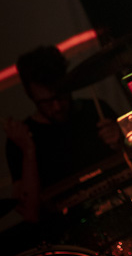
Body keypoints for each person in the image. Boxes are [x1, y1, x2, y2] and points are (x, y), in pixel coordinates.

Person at [3, 45, 123, 224]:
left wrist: (122, 142)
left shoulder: (96, 110)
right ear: (30, 95)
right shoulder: (20, 140)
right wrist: (28, 151)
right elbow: (30, 213)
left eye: (61, 95)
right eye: (46, 102)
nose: (57, 106)